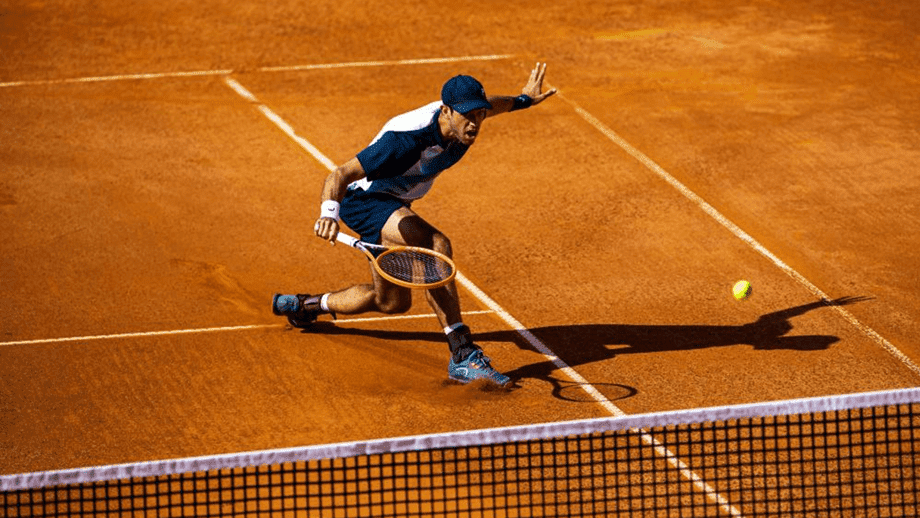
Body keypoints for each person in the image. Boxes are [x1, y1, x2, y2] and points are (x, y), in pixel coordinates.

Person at [273, 63, 557, 387]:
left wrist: (524, 100)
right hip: (366, 202)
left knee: (391, 303)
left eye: (479, 114)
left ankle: (304, 305)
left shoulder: (466, 120)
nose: (475, 122)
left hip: (394, 204)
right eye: (467, 115)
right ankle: (462, 354)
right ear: (446, 110)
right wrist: (328, 213)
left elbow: (495, 105)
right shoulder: (405, 139)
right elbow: (340, 174)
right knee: (436, 244)